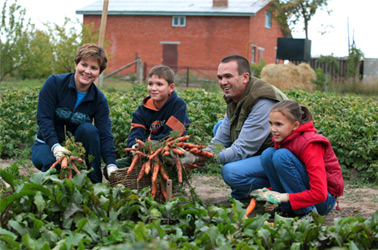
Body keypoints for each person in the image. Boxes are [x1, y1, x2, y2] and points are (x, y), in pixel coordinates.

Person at [31, 43, 118, 183]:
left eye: (94, 68)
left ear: (99, 72)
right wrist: (55, 146)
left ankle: (94, 186)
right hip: (46, 144)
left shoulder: (99, 100)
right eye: (84, 64)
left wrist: (111, 164)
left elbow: (105, 134)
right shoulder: (54, 84)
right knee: (53, 166)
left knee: (88, 129)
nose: (87, 71)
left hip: (77, 150)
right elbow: (44, 118)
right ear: (76, 64)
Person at [206, 55, 288, 202]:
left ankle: (274, 190)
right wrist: (200, 153)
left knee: (231, 173)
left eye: (228, 76)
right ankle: (241, 194)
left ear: (245, 77)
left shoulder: (263, 101)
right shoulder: (237, 97)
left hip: (279, 157)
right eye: (220, 77)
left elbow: (242, 149)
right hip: (261, 150)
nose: (223, 82)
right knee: (219, 126)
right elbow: (221, 139)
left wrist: (204, 158)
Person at [251, 100, 344, 218]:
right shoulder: (284, 139)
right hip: (305, 194)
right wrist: (269, 192)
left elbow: (320, 194)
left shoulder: (310, 144)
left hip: (323, 201)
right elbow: (291, 177)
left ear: (295, 125)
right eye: (271, 123)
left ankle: (307, 213)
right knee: (268, 154)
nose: (273, 129)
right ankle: (286, 210)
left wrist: (282, 197)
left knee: (281, 156)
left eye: (279, 124)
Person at [117, 65, 194, 168]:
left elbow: (172, 136)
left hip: (170, 153)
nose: (153, 88)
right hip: (144, 155)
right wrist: (135, 147)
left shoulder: (178, 105)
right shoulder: (141, 111)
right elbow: (135, 135)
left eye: (159, 84)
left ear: (171, 87)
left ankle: (192, 160)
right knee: (115, 166)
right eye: (150, 84)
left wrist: (149, 145)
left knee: (173, 157)